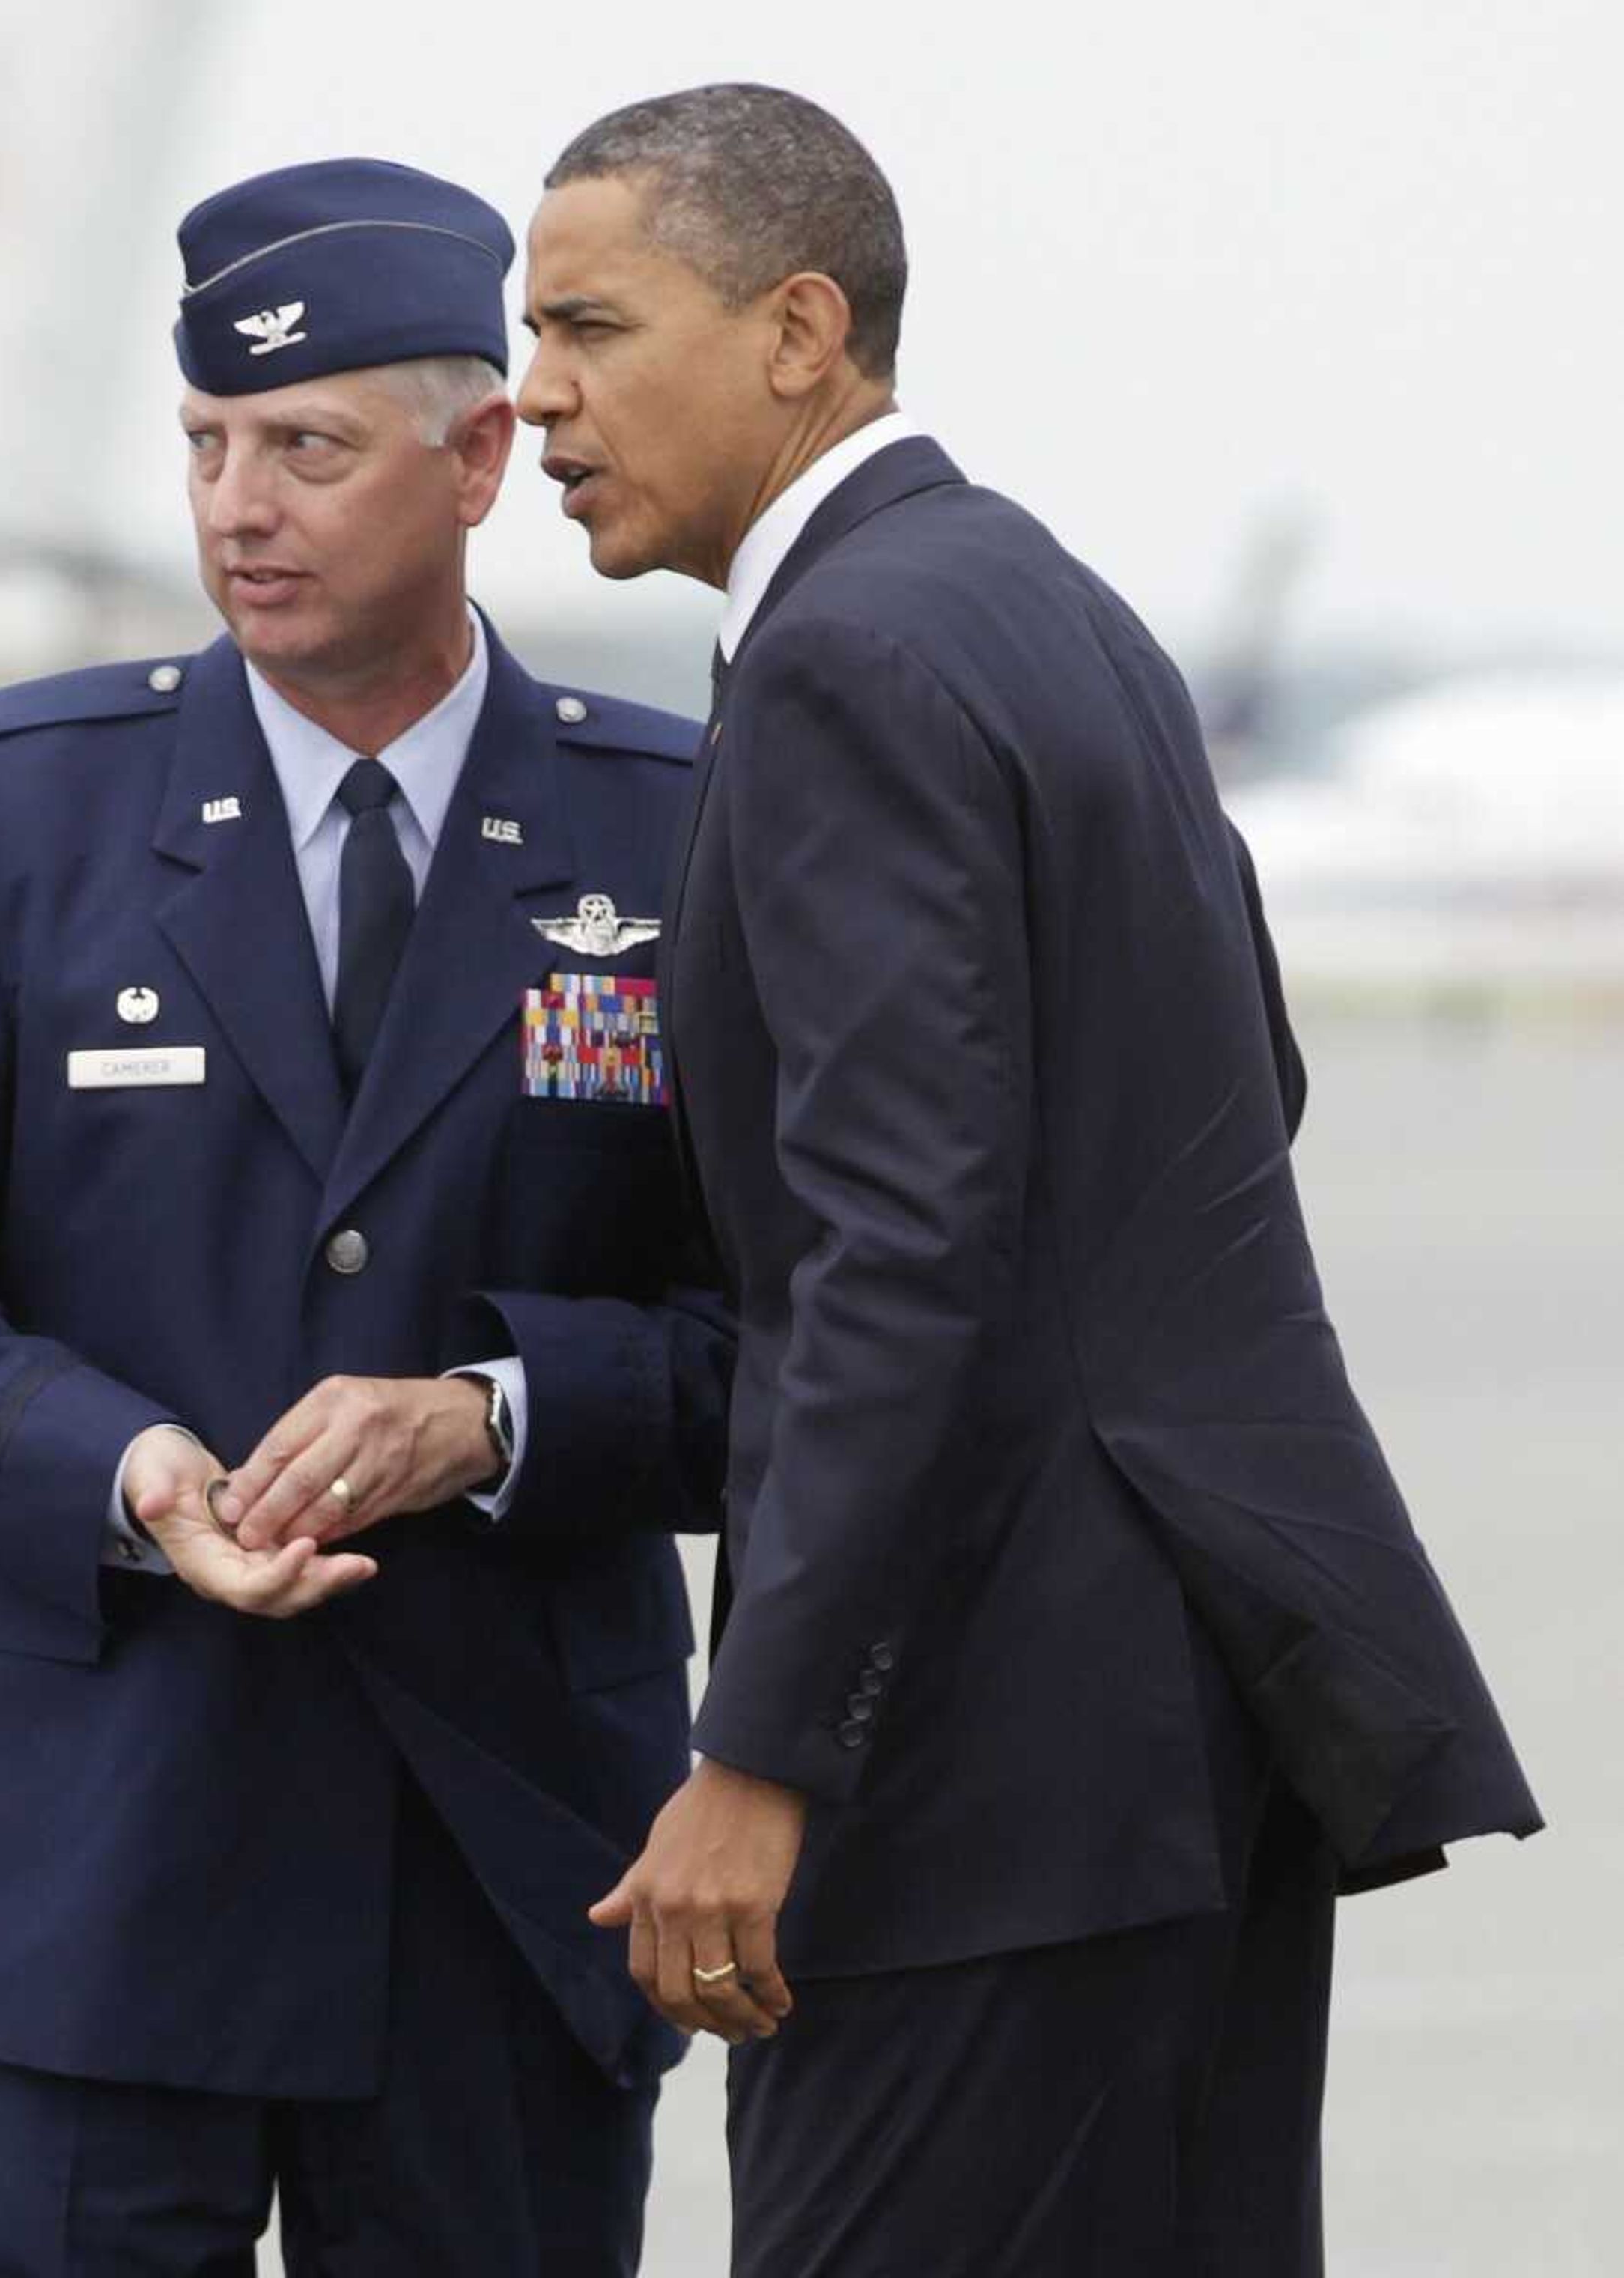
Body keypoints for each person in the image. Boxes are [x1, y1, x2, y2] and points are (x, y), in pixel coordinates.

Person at [517, 85, 1542, 2274]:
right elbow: (1232, 1084)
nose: (538, 395)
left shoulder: (846, 659)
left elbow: (907, 1250)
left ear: (801, 328)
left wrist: (765, 1752)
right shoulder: (1044, 606)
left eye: (591, 325)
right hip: (1169, 1731)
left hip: (983, 1774)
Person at [0, 159, 733, 2277]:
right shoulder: (9, 807)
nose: (237, 510)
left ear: (481, 457)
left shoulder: (675, 823)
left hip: (504, 1863)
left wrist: (491, 1413)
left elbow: (793, 1337)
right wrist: (123, 1469)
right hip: (87, 1859)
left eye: (306, 448)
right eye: (205, 448)